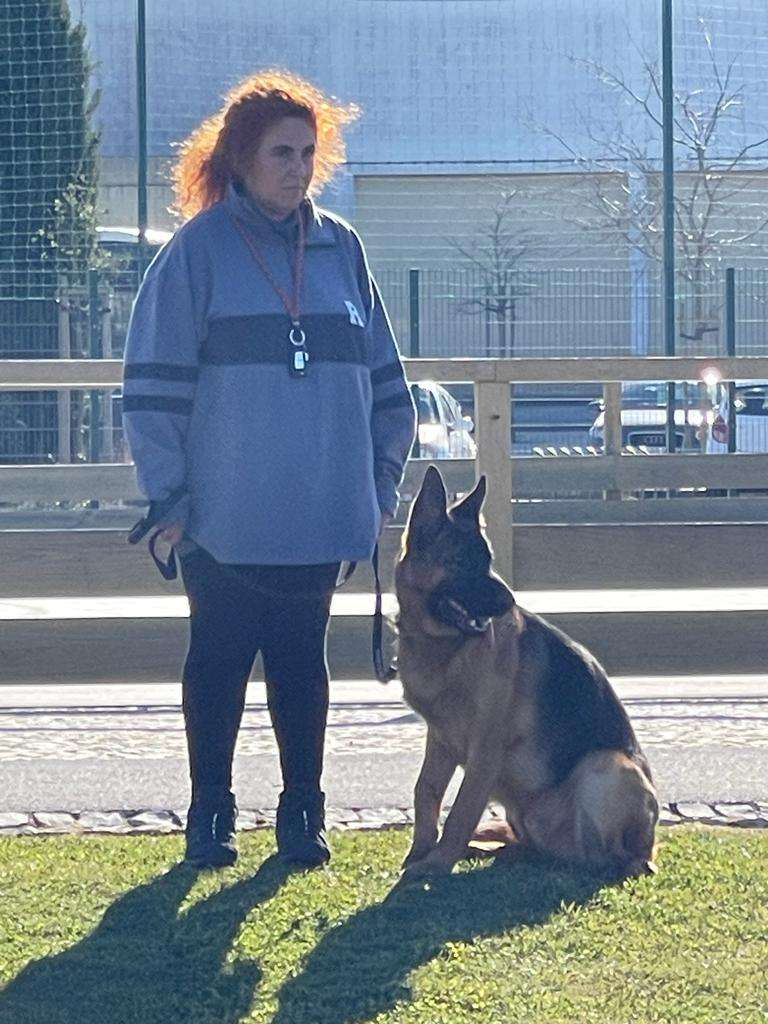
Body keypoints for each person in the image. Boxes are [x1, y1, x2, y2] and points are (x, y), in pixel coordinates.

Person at [122, 70, 416, 870]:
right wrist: (169, 496)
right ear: (240, 160)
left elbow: (389, 390)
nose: (296, 166)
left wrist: (375, 490)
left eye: (307, 152)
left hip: (319, 517)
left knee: (300, 664)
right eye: (280, 152)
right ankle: (210, 814)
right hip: (220, 519)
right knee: (216, 661)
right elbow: (151, 389)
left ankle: (302, 814)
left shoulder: (342, 250)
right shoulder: (197, 253)